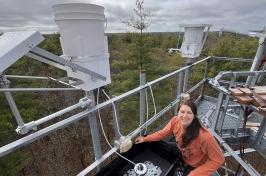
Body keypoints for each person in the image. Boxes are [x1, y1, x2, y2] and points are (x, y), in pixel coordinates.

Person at [135, 100, 225, 176]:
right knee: (163, 145)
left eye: (189, 113)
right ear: (178, 112)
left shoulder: (205, 137)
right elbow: (162, 134)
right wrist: (145, 139)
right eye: (182, 112)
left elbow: (219, 159)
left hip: (196, 164)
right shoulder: (175, 121)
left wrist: (194, 174)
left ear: (194, 116)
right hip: (181, 151)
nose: (185, 116)